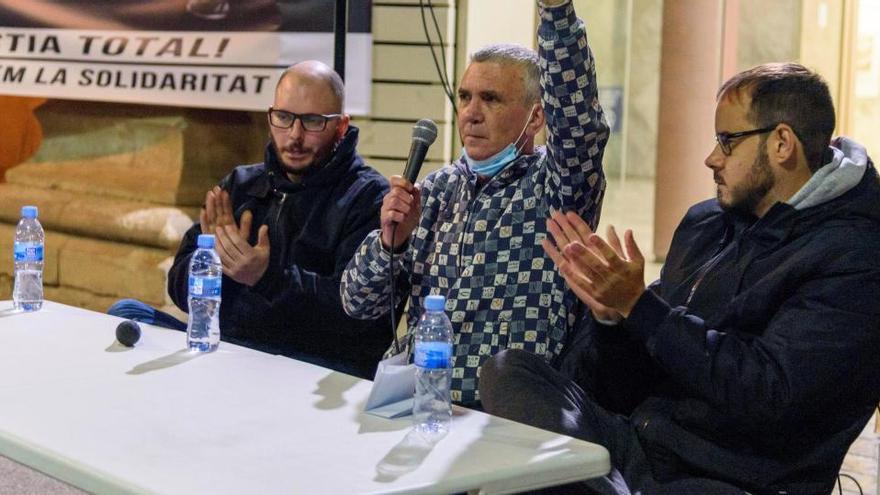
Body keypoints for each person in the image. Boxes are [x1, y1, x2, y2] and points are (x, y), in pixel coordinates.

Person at [479, 62, 880, 494]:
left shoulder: (855, 256)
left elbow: (770, 396)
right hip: (639, 446)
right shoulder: (706, 224)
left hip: (731, 479)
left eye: (728, 142)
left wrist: (643, 309)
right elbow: (616, 388)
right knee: (510, 372)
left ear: (782, 143)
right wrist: (614, 320)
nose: (711, 158)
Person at [341, 0, 609, 406]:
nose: (471, 113)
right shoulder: (432, 191)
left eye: (491, 99)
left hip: (508, 411)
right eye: (465, 97)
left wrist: (556, 13)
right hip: (419, 402)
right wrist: (390, 242)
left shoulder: (557, 187)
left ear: (535, 118)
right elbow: (356, 303)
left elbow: (579, 120)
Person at [110, 61, 390, 379]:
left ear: (341, 126)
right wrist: (213, 261)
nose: (295, 136)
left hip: (307, 364)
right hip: (229, 346)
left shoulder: (368, 198)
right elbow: (181, 293)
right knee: (124, 314)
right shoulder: (242, 183)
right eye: (284, 118)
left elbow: (355, 322)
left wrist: (266, 278)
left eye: (312, 122)